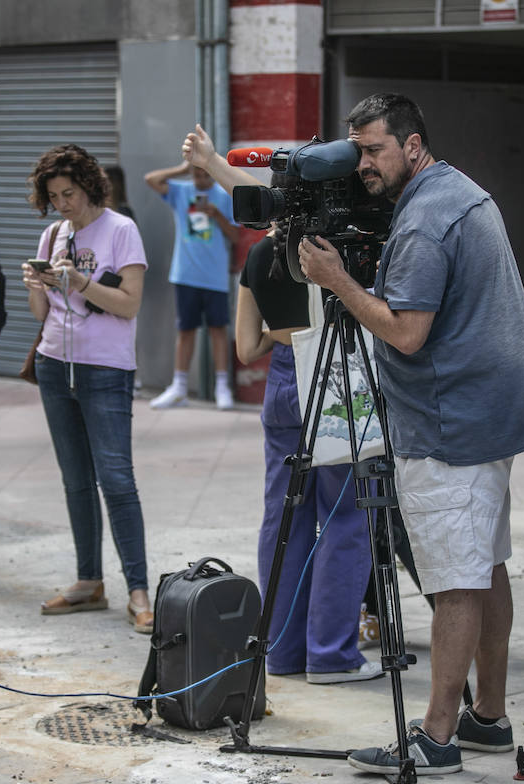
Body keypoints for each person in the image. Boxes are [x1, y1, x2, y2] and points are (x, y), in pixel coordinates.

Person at [298, 93, 524, 775]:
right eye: (356, 152)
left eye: (374, 150)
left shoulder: (424, 221)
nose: (363, 166)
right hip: (486, 412)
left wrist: (338, 281)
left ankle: (437, 737)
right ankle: (489, 717)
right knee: (484, 565)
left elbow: (407, 334)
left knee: (454, 581)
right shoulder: (458, 192)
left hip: (450, 421)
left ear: (412, 145)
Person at [180, 123, 379, 682]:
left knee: (283, 514)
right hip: (340, 375)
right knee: (344, 517)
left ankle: (281, 652)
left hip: (284, 381)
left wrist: (277, 334)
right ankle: (332, 655)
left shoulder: (263, 253)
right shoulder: (345, 247)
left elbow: (244, 349)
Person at [20, 144, 152, 631]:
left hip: (105, 369)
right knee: (75, 479)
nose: (62, 204)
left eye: (69, 193)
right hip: (56, 364)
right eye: (53, 196)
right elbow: (43, 315)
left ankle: (138, 589)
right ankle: (88, 580)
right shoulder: (53, 234)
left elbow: (130, 304)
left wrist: (79, 283)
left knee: (116, 480)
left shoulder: (122, 230)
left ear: (90, 186)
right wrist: (38, 286)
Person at [144, 151, 239, 410]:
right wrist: (181, 169)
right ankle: (179, 387)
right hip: (185, 274)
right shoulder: (181, 191)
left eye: (204, 173)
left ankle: (222, 386)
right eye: (196, 174)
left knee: (218, 330)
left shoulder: (224, 196)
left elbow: (236, 236)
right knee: (185, 330)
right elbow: (151, 179)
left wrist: (217, 215)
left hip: (215, 275)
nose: (199, 179)